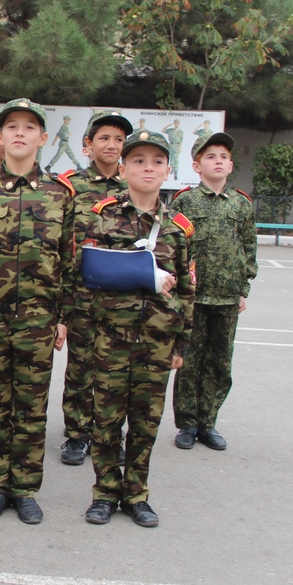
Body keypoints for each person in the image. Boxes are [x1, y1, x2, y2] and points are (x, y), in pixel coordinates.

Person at [0, 99, 75, 525]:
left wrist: (63, 318)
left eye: (29, 127)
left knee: (31, 409)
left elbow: (69, 261)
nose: (20, 133)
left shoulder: (61, 194)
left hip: (39, 321)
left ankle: (24, 489)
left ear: (43, 138)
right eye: (11, 126)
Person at [79, 130, 194, 528]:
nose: (148, 168)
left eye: (157, 161)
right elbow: (87, 275)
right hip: (110, 336)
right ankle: (104, 494)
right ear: (123, 168)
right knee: (106, 420)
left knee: (146, 423)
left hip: (158, 340)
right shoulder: (103, 216)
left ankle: (137, 495)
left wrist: (181, 343)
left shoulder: (179, 228)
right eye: (139, 160)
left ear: (168, 170)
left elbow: (188, 289)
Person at [170, 131, 257, 451]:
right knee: (189, 361)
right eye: (210, 157)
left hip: (227, 295)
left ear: (231, 166)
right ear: (197, 166)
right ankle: (187, 423)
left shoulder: (241, 203)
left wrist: (243, 287)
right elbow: (174, 245)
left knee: (220, 362)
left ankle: (208, 422)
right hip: (194, 296)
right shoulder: (185, 201)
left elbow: (248, 247)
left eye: (223, 157)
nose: (218, 162)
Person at [58, 111, 132, 467]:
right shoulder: (71, 186)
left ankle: (110, 436)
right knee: (80, 366)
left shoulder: (132, 187)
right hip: (81, 293)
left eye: (119, 140)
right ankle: (77, 434)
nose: (111, 145)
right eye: (104, 138)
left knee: (115, 371)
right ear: (88, 144)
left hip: (121, 297)